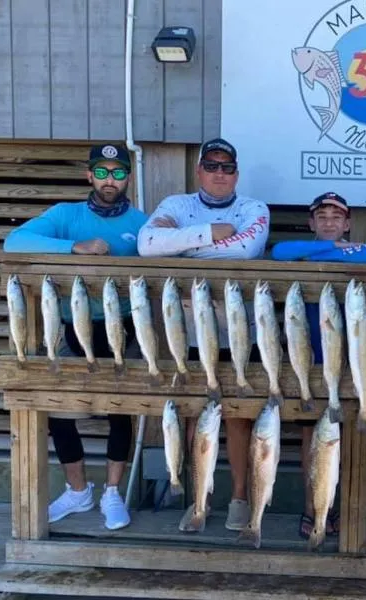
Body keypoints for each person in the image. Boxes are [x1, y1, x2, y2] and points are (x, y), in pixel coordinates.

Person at [3, 143, 148, 530]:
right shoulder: (65, 216)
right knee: (60, 412)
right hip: (68, 329)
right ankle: (78, 490)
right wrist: (73, 247)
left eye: (118, 173)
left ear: (128, 178)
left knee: (121, 412)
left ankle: (113, 493)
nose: (110, 180)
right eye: (102, 172)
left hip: (124, 328)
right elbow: (13, 242)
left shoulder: (142, 222)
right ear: (89, 175)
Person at [137, 137, 269, 532]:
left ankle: (240, 500)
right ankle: (199, 499)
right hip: (187, 334)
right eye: (211, 165)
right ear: (199, 171)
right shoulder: (177, 204)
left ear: (236, 173)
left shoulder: (252, 208)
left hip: (240, 335)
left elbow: (246, 250)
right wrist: (213, 232)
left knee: (238, 420)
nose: (219, 173)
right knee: (194, 418)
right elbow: (147, 245)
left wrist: (179, 245)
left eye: (227, 167)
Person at [271, 192, 366, 539]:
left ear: (347, 223)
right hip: (309, 356)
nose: (330, 221)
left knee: (353, 438)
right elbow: (279, 252)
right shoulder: (298, 251)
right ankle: (314, 505)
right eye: (322, 216)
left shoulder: (359, 250)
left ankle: (346, 509)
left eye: (337, 216)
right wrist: (329, 250)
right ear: (311, 223)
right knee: (312, 437)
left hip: (354, 359)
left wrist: (321, 250)